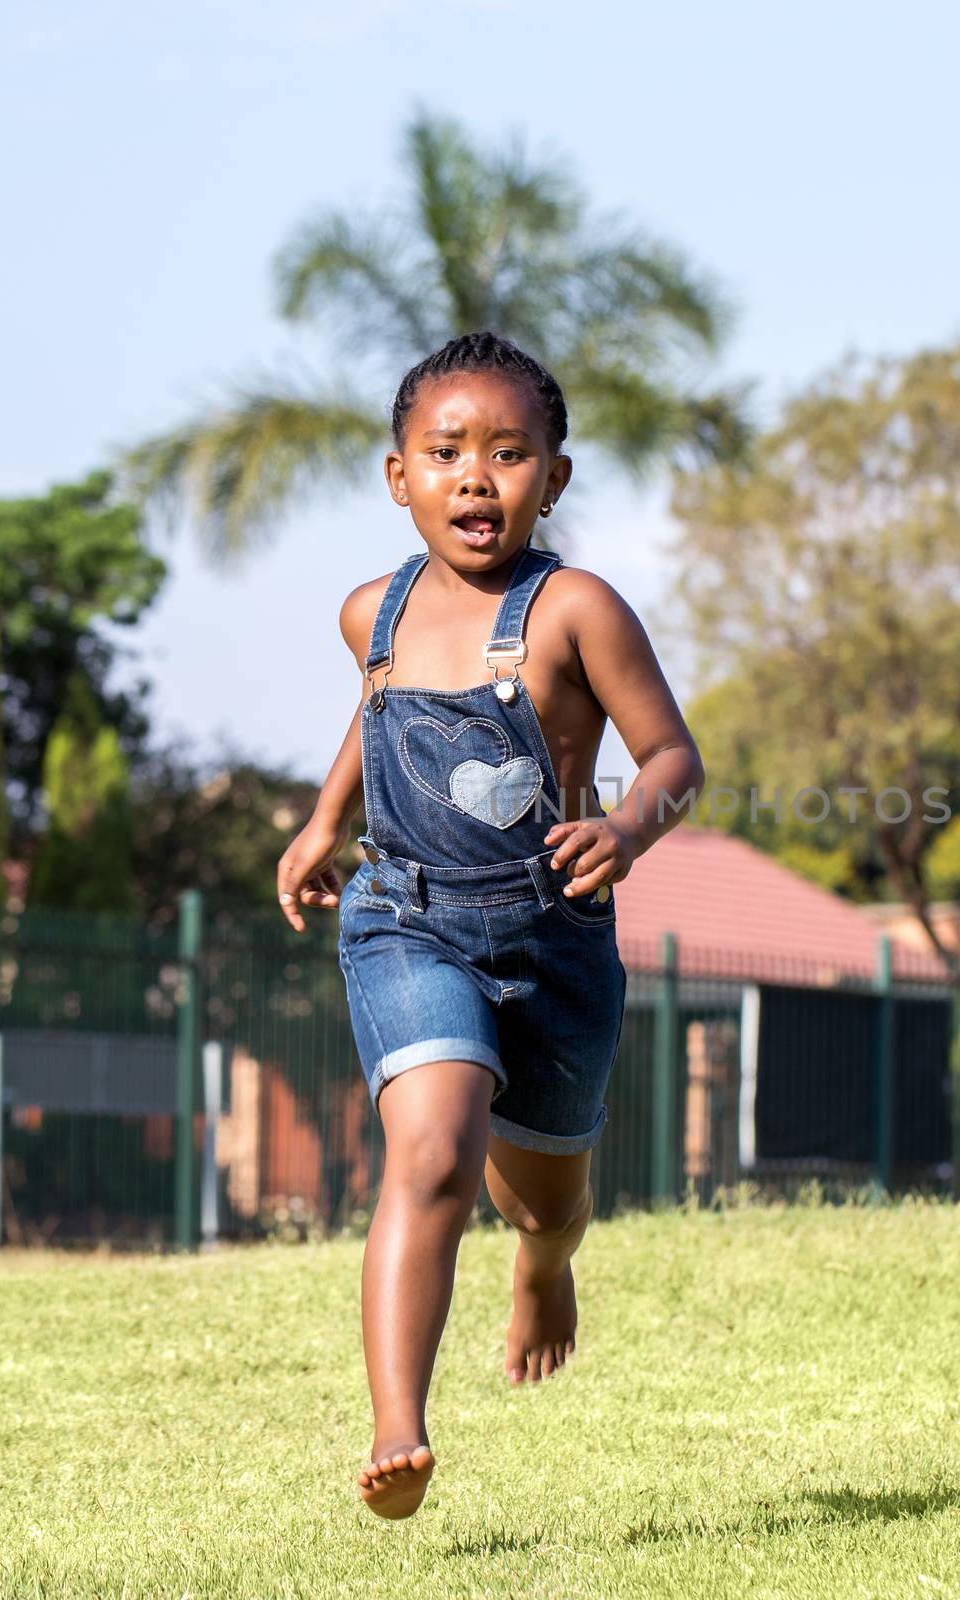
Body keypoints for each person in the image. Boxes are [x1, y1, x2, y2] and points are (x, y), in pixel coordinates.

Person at [276, 331, 704, 1520]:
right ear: (397, 475)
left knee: (545, 1197)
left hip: (554, 939)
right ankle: (397, 1429)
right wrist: (323, 822)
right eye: (446, 451)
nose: (477, 476)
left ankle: (545, 1269)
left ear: (552, 480)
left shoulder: (575, 611)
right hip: (404, 919)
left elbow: (675, 755)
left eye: (509, 453)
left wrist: (624, 831)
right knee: (433, 1152)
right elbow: (376, 716)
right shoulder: (374, 610)